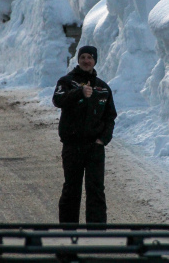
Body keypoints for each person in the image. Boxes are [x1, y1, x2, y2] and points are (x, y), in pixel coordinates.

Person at [52, 45, 117, 224]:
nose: (86, 61)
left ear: (95, 61)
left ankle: (96, 237)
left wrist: (102, 140)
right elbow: (58, 100)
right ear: (78, 60)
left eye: (90, 57)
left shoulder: (103, 88)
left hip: (94, 148)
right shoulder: (66, 82)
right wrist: (78, 92)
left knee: (96, 190)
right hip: (72, 146)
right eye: (83, 57)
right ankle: (68, 234)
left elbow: (110, 117)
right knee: (71, 190)